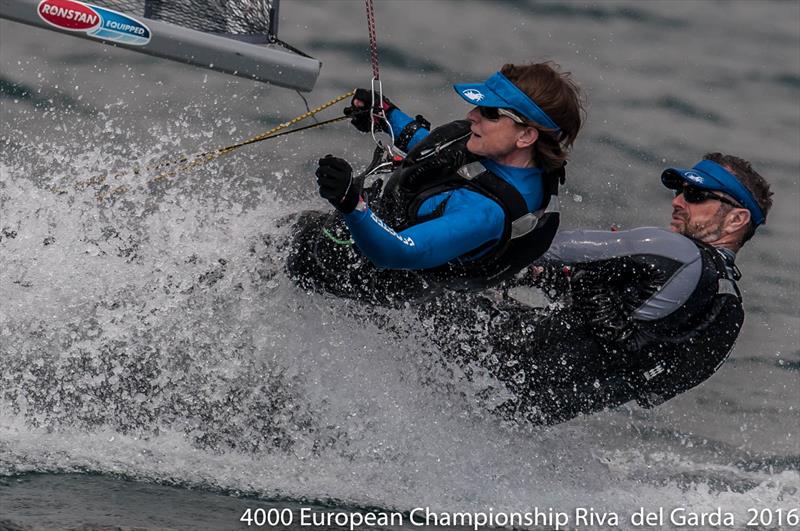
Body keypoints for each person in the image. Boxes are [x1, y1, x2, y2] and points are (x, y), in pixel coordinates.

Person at [418, 152, 773, 425]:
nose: (678, 201)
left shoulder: (673, 249)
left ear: (737, 219)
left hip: (493, 363)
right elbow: (628, 352)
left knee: (404, 289)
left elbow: (539, 245)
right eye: (680, 191)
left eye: (695, 195)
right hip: (524, 411)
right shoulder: (726, 311)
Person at [286, 62, 584, 305]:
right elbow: (437, 151)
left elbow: (396, 252)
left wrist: (351, 203)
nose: (472, 115)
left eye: (490, 113)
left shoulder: (484, 213)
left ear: (526, 136)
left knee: (271, 246)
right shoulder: (509, 156)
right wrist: (386, 116)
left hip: (367, 269)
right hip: (381, 228)